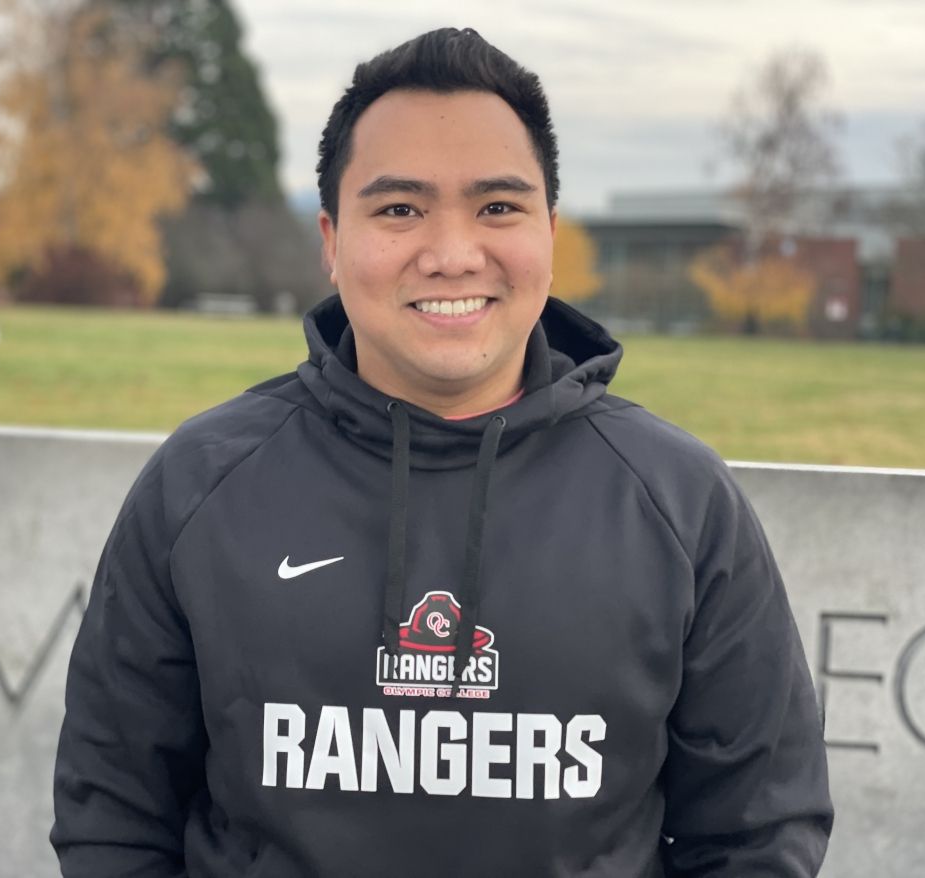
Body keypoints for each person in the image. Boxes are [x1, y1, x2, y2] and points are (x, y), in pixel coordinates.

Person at [51, 27, 833, 877]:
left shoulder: (680, 501)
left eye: (498, 207)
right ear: (331, 238)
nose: (454, 254)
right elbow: (114, 813)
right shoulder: (199, 484)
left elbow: (759, 833)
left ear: (549, 231)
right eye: (399, 209)